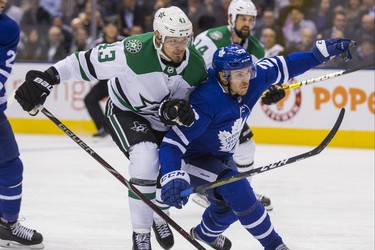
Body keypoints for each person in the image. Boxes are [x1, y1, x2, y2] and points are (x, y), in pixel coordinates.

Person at [14, 6, 207, 250]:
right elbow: (83, 62)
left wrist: (184, 112)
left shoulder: (197, 66)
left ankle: (159, 214)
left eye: (184, 39)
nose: (180, 46)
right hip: (126, 111)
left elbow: (198, 105)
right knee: (145, 160)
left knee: (168, 173)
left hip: (162, 120)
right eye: (173, 40)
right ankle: (141, 236)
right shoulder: (133, 51)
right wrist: (48, 77)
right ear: (158, 37)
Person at [159, 39, 354, 249]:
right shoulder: (207, 99)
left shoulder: (253, 79)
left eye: (248, 72)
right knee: (239, 189)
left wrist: (319, 54)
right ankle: (275, 246)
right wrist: (171, 174)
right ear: (223, 76)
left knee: (231, 207)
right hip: (192, 160)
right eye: (239, 75)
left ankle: (204, 234)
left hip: (221, 157)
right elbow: (173, 142)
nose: (246, 80)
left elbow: (286, 64)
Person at [193, 0, 278, 211]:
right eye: (243, 19)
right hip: (203, 104)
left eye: (250, 19)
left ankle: (244, 192)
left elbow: (253, 83)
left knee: (245, 146)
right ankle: (207, 190)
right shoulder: (211, 40)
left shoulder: (257, 48)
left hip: (228, 108)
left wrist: (270, 92)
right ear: (231, 19)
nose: (247, 24)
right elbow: (190, 70)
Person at [0, 0, 44, 248]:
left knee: (9, 165)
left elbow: (1, 70)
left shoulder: (8, 28)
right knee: (9, 165)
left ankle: (8, 223)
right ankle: (9, 224)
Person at [83, 19, 125, 138]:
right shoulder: (98, 43)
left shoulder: (124, 41)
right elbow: (92, 60)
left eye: (114, 26)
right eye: (109, 26)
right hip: (105, 80)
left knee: (120, 103)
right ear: (105, 28)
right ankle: (103, 127)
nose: (111, 29)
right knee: (89, 99)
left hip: (122, 80)